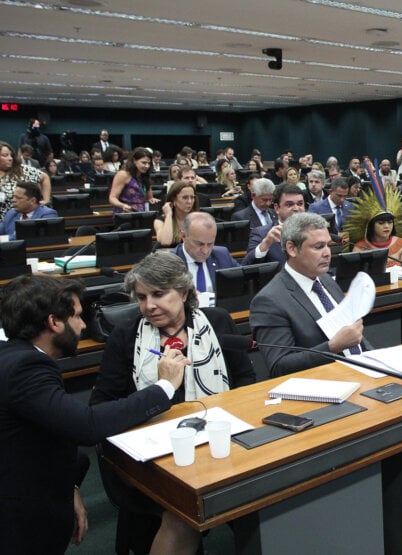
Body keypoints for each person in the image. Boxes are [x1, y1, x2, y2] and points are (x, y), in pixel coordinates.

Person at [0, 274, 184, 554]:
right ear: (54, 322)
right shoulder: (27, 366)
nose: (84, 324)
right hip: (19, 519)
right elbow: (88, 425)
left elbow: (46, 431)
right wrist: (164, 386)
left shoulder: (14, 356)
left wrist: (70, 485)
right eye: (76, 316)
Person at [90, 252, 255, 555]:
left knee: (260, 494)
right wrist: (163, 386)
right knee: (181, 514)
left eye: (158, 294)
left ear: (183, 292)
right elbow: (101, 406)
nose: (149, 306)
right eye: (141, 297)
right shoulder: (126, 336)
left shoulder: (216, 322)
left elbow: (245, 381)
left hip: (217, 441)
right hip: (153, 457)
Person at [250, 212, 371, 377]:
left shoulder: (326, 280)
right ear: (292, 249)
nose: (327, 252)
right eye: (318, 247)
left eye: (328, 245)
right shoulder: (269, 301)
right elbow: (279, 366)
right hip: (323, 387)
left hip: (362, 374)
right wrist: (332, 347)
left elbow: (355, 339)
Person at [242, 182, 306, 266]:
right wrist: (265, 244)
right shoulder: (261, 234)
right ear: (277, 208)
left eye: (300, 204)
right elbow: (247, 267)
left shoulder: (314, 230)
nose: (296, 208)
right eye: (289, 204)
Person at [173, 211, 239, 292]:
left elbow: (244, 280)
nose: (205, 251)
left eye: (210, 244)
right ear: (183, 236)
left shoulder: (222, 255)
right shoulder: (170, 263)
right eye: (199, 244)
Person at [0, 140, 50, 220]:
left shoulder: (21, 170)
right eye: (5, 155)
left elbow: (44, 178)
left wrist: (46, 200)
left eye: (11, 155)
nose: (10, 158)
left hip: (15, 221)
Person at [108, 147, 158, 214]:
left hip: (142, 213)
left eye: (149, 163)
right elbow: (112, 198)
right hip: (125, 213)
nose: (147, 166)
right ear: (134, 161)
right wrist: (122, 205)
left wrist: (152, 200)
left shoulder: (145, 176)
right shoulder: (123, 175)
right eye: (144, 163)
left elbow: (149, 198)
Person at [154, 180, 198, 247]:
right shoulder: (160, 221)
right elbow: (165, 242)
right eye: (185, 197)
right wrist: (168, 215)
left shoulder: (198, 219)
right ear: (174, 199)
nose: (189, 201)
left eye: (192, 197)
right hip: (170, 256)